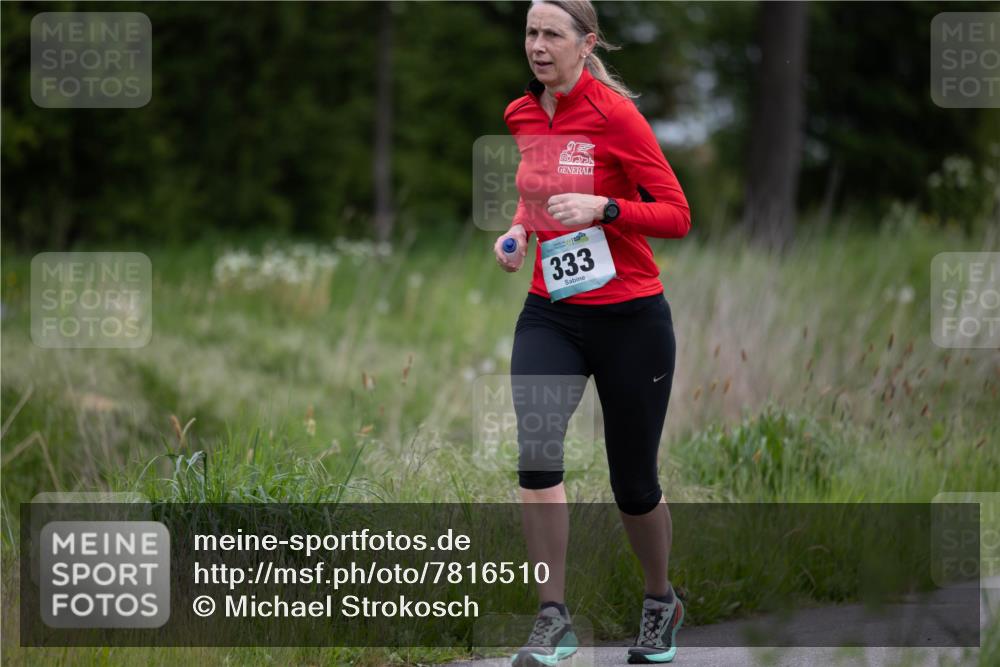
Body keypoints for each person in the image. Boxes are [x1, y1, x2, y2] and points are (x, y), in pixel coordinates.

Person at [492, 1, 691, 665]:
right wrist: (521, 230)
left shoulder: (617, 116)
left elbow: (677, 214)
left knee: (633, 483)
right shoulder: (522, 113)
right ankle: (553, 616)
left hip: (631, 318)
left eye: (551, 33)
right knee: (537, 453)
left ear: (587, 43)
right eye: (530, 32)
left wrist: (606, 208)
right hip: (552, 311)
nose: (538, 45)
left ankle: (660, 599)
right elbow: (535, 189)